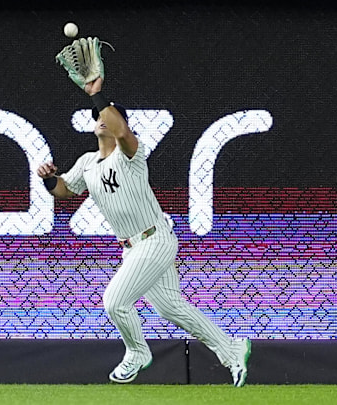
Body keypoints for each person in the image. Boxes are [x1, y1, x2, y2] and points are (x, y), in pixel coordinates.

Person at [36, 76, 251, 386]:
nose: (102, 121)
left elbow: (121, 131)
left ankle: (137, 352)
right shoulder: (87, 163)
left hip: (154, 238)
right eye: (98, 117)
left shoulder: (130, 155)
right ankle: (232, 350)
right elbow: (65, 190)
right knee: (171, 308)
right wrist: (49, 178)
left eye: (107, 116)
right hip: (133, 247)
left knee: (114, 302)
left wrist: (98, 96)